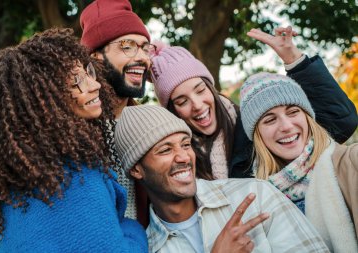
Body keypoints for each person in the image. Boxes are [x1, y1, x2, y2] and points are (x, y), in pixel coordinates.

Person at [0, 28, 147, 252]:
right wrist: (132, 229)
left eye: (88, 72)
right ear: (43, 101)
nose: (94, 85)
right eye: (76, 81)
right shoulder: (75, 177)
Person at [114, 104, 330, 253]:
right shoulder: (150, 247)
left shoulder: (255, 195)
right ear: (136, 170)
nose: (183, 157)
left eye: (186, 144)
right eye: (165, 150)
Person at [150, 26, 358, 180]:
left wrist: (294, 59)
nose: (196, 104)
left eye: (200, 89)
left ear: (211, 89)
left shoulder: (252, 121)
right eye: (182, 100)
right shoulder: (180, 155)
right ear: (172, 110)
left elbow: (341, 122)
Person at [239, 71, 358, 252]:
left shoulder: (350, 163)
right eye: (270, 120)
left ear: (308, 117)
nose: (286, 126)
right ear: (258, 136)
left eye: (293, 112)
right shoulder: (255, 200)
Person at [80, 0, 156, 222]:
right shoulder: (69, 131)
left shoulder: (149, 125)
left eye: (145, 47)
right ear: (96, 58)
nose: (142, 57)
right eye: (128, 46)